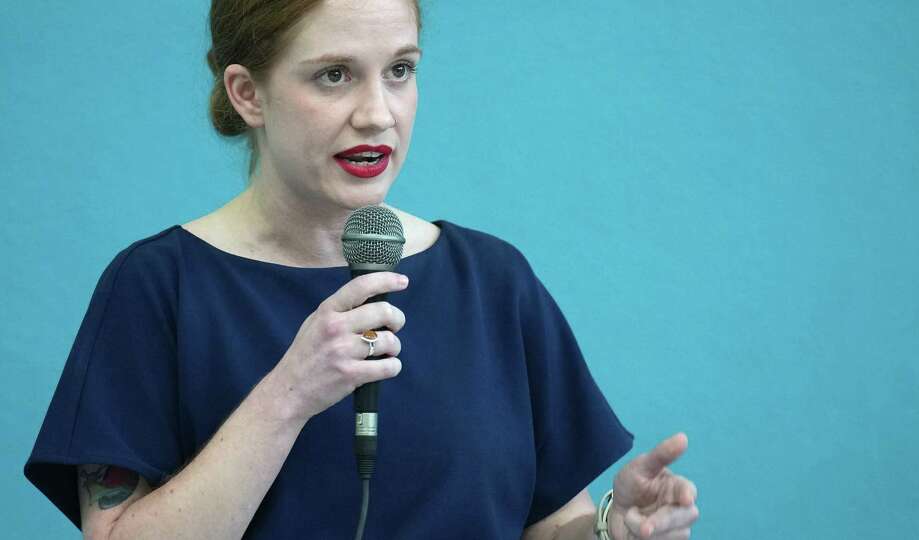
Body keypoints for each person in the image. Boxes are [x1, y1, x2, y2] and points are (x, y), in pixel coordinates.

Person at [23, 0, 700, 538]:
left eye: (400, 70)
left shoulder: (492, 282)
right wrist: (288, 395)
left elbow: (549, 525)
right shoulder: (156, 288)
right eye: (334, 75)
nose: (378, 114)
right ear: (247, 94)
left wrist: (614, 531)